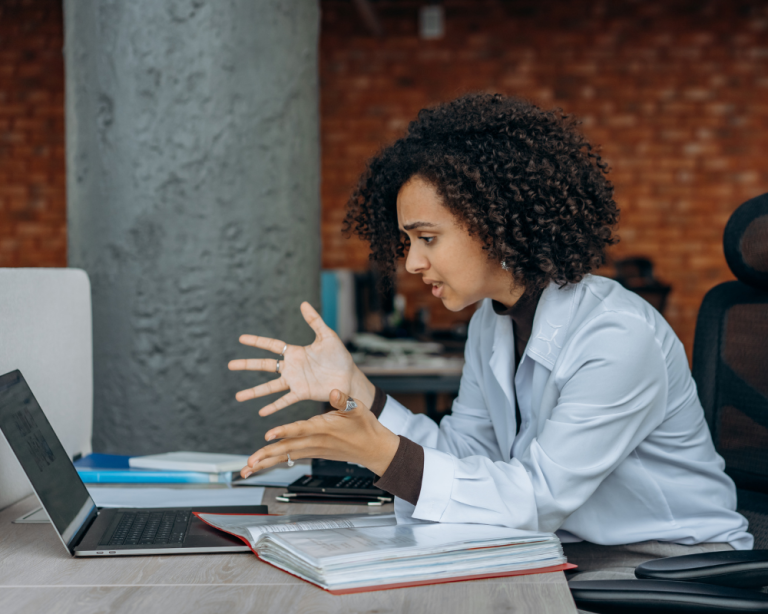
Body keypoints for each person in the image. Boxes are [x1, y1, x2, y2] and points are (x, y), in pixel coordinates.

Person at [228, 93, 751, 579]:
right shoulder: (492, 318)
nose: (412, 262)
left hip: (672, 565)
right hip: (571, 549)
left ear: (495, 223)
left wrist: (384, 454)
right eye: (408, 241)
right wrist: (357, 388)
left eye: (427, 238)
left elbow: (538, 498)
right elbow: (467, 453)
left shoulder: (616, 334)